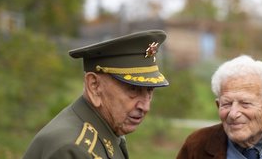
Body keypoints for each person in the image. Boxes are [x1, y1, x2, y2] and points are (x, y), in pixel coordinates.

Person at [23, 30, 170, 159]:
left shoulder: (104, 130)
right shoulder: (72, 149)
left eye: (149, 91)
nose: (145, 106)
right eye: (133, 89)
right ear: (94, 86)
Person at [177, 55, 262, 159]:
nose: (233, 114)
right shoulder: (197, 146)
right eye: (226, 104)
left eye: (245, 103)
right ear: (218, 105)